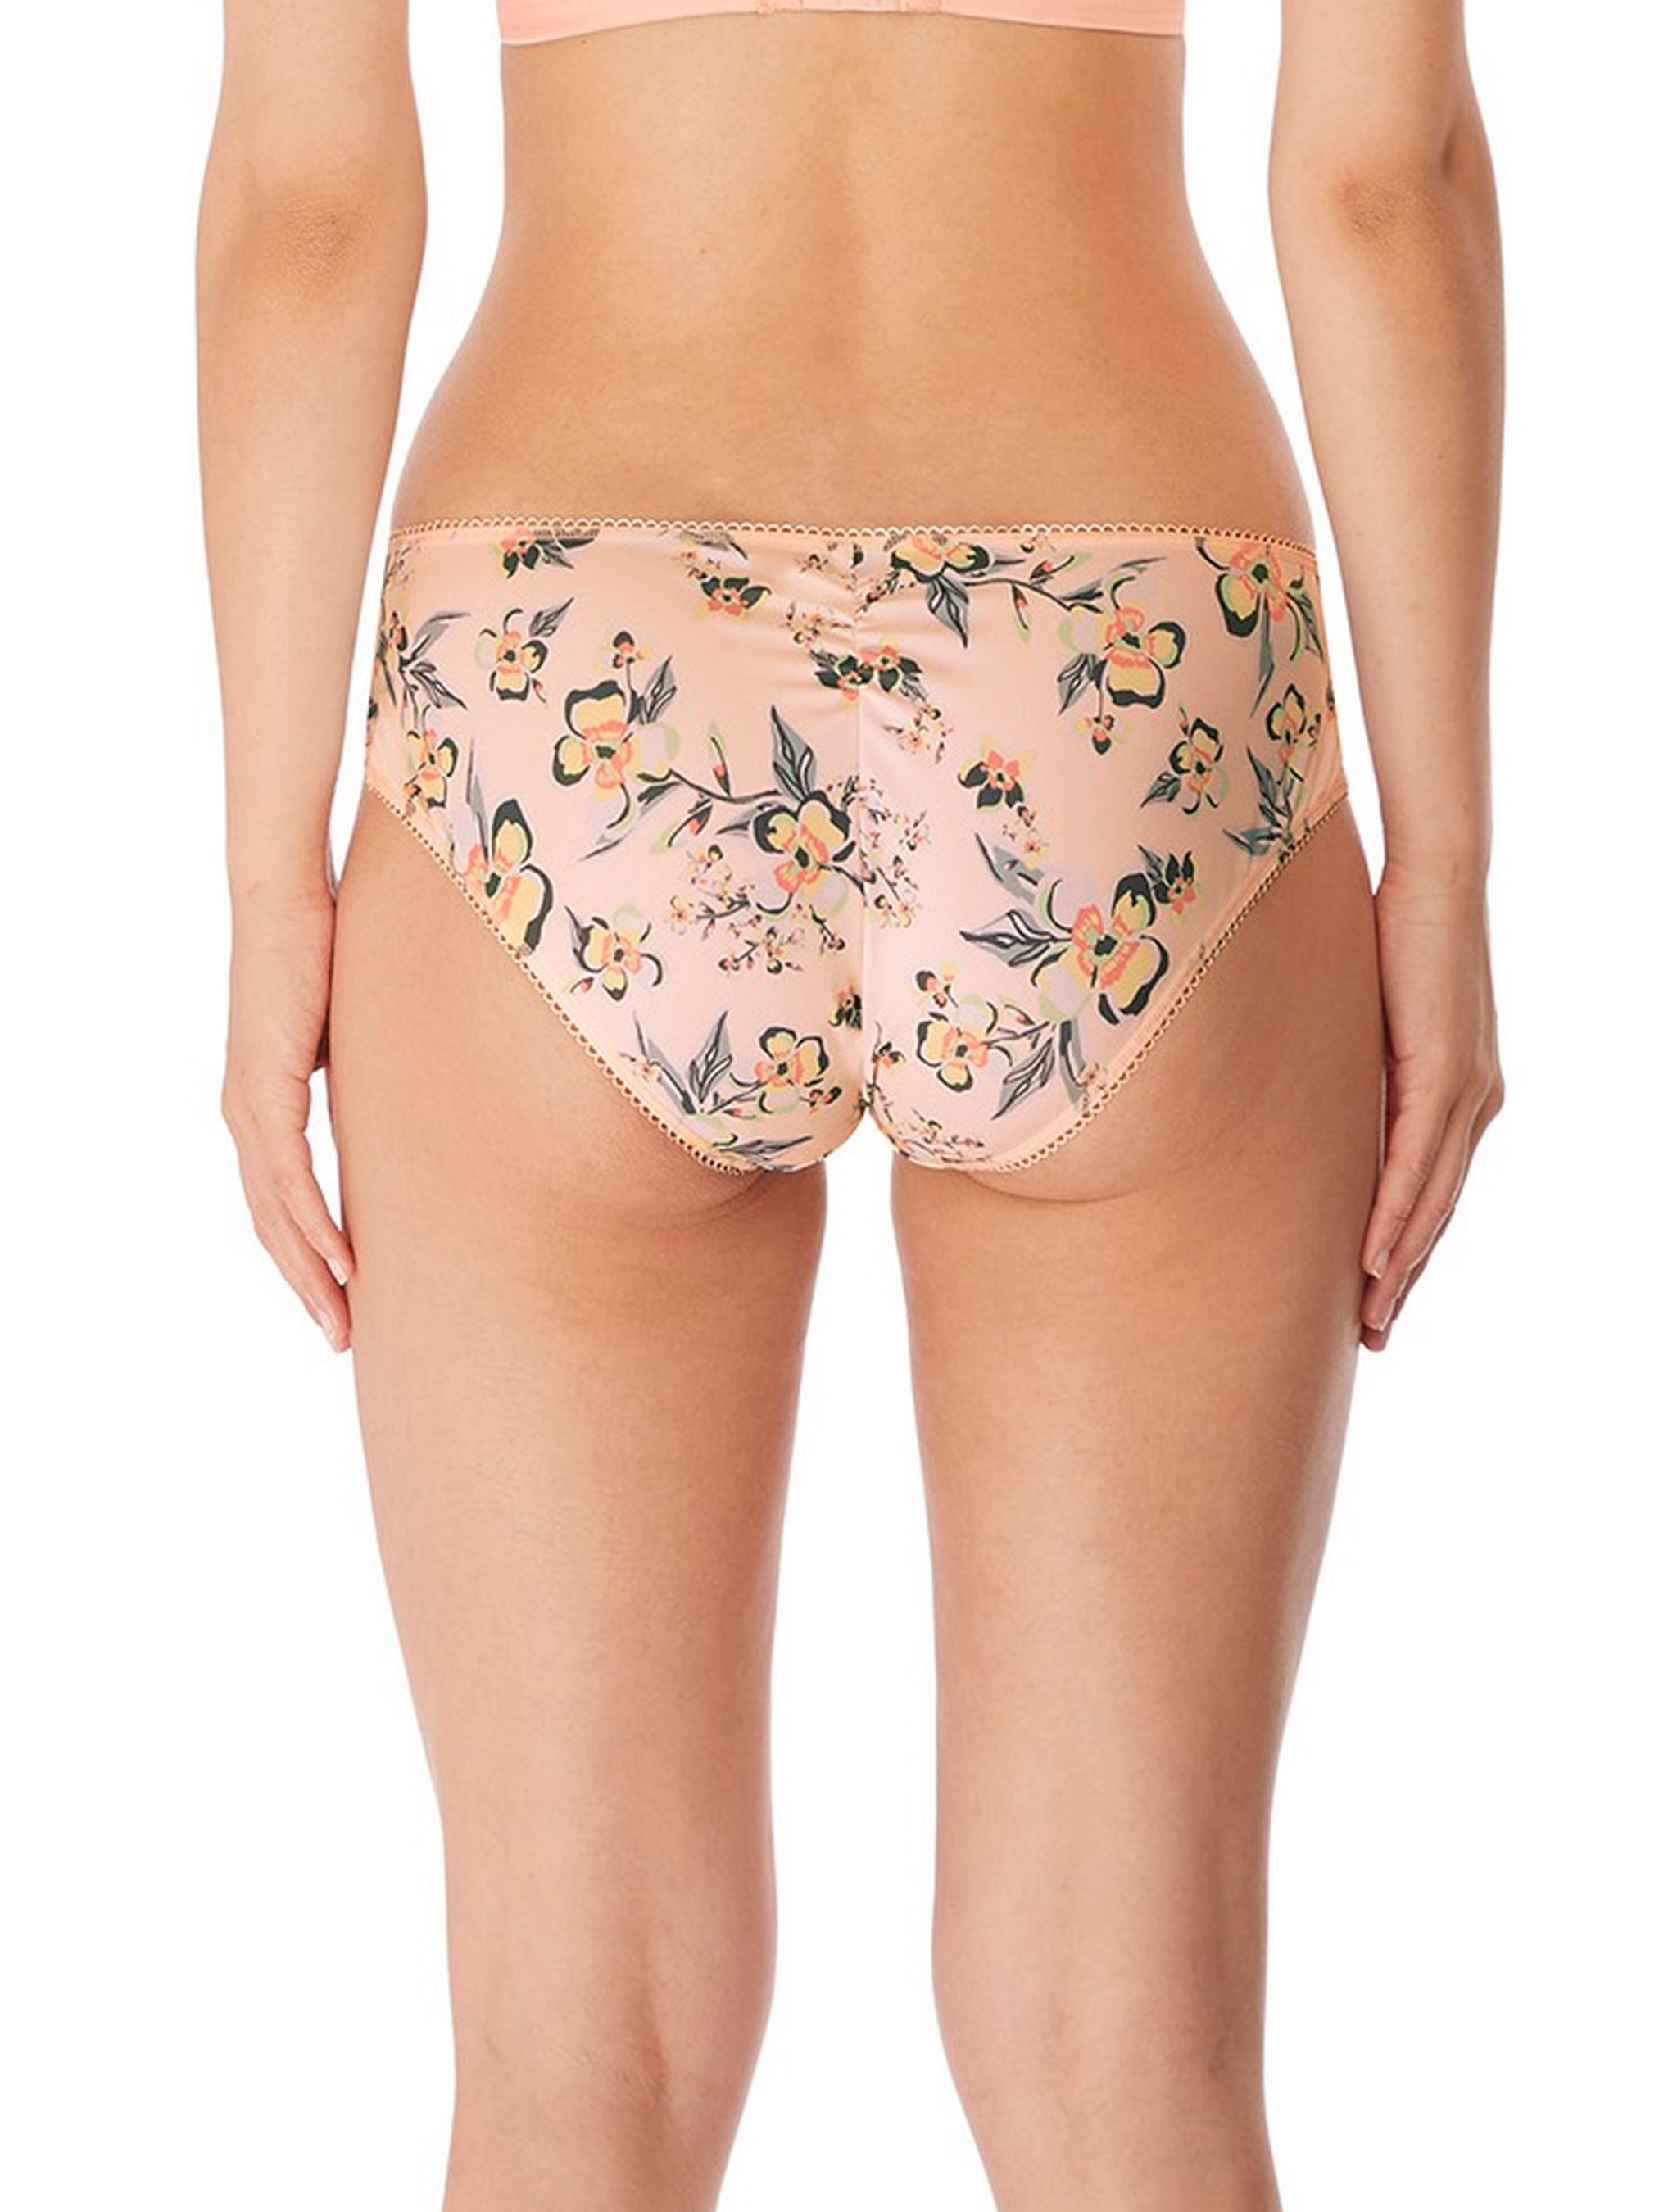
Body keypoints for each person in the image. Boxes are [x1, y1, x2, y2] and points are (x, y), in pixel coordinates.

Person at [197, 0, 1504, 2202]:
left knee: (578, 2041)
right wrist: (1442, 863)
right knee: (1126, 2035)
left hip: (572, 662)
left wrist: (267, 896)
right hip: (1123, 655)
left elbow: (311, 205)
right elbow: (1384, 180)